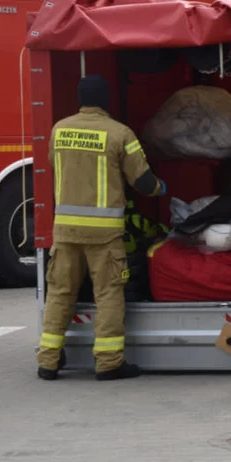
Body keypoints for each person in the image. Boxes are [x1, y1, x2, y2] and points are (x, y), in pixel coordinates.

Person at [37, 74, 165, 381]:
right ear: (106, 100)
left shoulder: (59, 130)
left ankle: (48, 361)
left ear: (80, 99)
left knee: (60, 293)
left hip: (65, 232)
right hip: (104, 235)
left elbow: (55, 166)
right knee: (108, 294)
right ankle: (108, 362)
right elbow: (144, 182)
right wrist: (161, 188)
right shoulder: (119, 133)